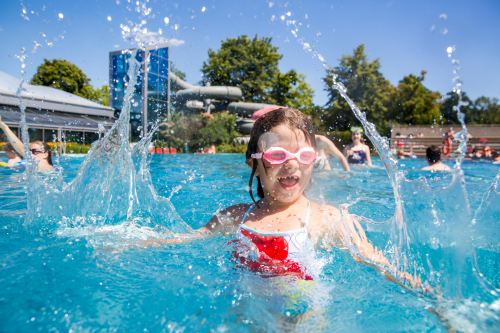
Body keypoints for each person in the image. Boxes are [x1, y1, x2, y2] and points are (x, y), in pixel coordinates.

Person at [142, 108, 421, 289]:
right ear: (254, 163)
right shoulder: (236, 217)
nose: (292, 164)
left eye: (304, 156)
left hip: (303, 318)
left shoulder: (326, 218)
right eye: (278, 156)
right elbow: (188, 238)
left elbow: (378, 261)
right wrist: (134, 240)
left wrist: (431, 297)